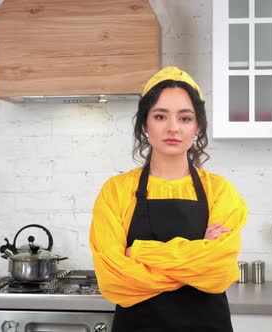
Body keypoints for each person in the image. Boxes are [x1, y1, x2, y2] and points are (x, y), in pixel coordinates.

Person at [89, 66, 248, 332]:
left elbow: (219, 272)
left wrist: (140, 252)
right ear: (145, 123)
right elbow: (113, 278)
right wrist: (198, 257)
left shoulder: (219, 191)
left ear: (197, 126)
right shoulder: (116, 191)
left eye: (185, 118)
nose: (173, 127)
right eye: (161, 116)